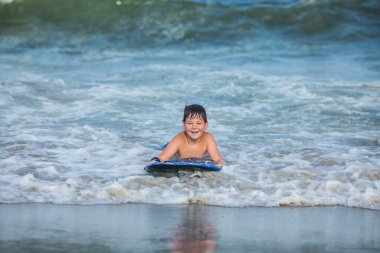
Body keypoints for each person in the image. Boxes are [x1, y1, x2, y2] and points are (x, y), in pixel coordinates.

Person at [148, 104, 223, 167]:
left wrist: (218, 164)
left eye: (199, 123)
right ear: (184, 125)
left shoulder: (208, 138)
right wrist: (155, 160)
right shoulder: (179, 139)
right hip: (174, 150)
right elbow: (163, 157)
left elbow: (217, 158)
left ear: (205, 125)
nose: (194, 127)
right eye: (190, 123)